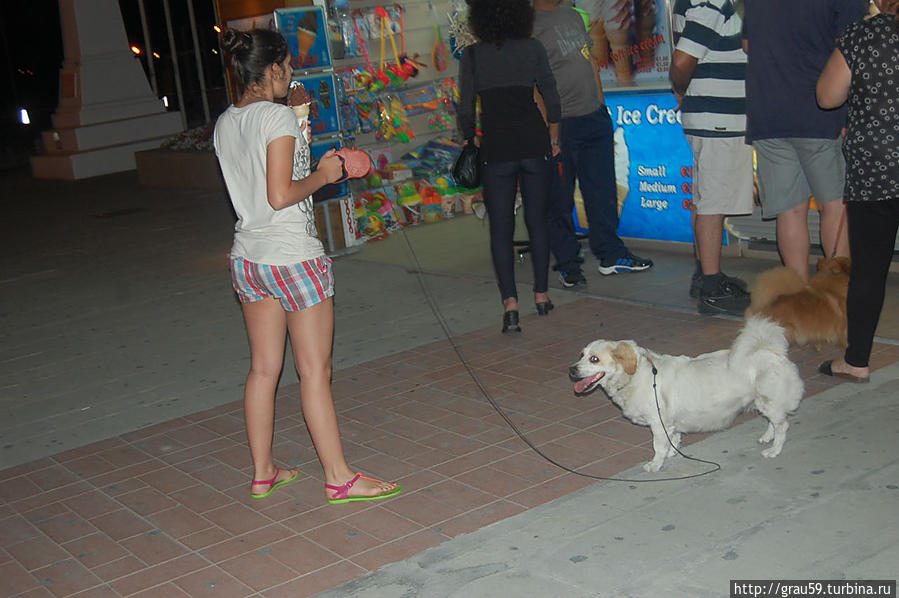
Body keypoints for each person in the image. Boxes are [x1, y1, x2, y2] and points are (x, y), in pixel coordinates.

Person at [214, 28, 401, 504]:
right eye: (289, 67)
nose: (293, 73)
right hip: (293, 256)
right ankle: (339, 477)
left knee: (262, 370)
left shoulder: (226, 121)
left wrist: (299, 123)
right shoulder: (274, 118)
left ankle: (263, 472)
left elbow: (268, 174)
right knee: (315, 371)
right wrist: (325, 173)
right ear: (273, 68)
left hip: (249, 258)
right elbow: (282, 193)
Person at [458, 0, 562, 334]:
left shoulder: (473, 56)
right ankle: (542, 294)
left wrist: (469, 139)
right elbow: (552, 95)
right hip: (534, 144)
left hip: (496, 149)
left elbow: (465, 109)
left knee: (500, 228)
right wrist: (554, 136)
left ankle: (511, 305)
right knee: (537, 221)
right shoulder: (532, 48)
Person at [742, 0, 866, 281]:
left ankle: (798, 297)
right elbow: (853, 47)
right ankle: (835, 295)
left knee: (790, 210)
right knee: (833, 205)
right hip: (822, 110)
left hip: (769, 111)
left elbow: (748, 44)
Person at [534, 0, 653, 289]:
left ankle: (610, 254)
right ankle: (568, 264)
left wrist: (602, 108)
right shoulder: (527, 25)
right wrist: (548, 129)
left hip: (594, 118)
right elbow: (533, 83)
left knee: (602, 192)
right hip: (560, 124)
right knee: (559, 199)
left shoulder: (573, 17)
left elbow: (591, 62)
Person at [815, 0, 899, 383]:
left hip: (876, 170)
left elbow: (827, 96)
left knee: (869, 270)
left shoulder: (865, 35)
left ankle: (857, 360)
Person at [670, 0, 752, 316]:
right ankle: (712, 287)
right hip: (718, 119)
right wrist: (680, 88)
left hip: (708, 117)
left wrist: (684, 90)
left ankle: (705, 274)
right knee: (713, 204)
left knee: (705, 199)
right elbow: (682, 61)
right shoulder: (712, 1)